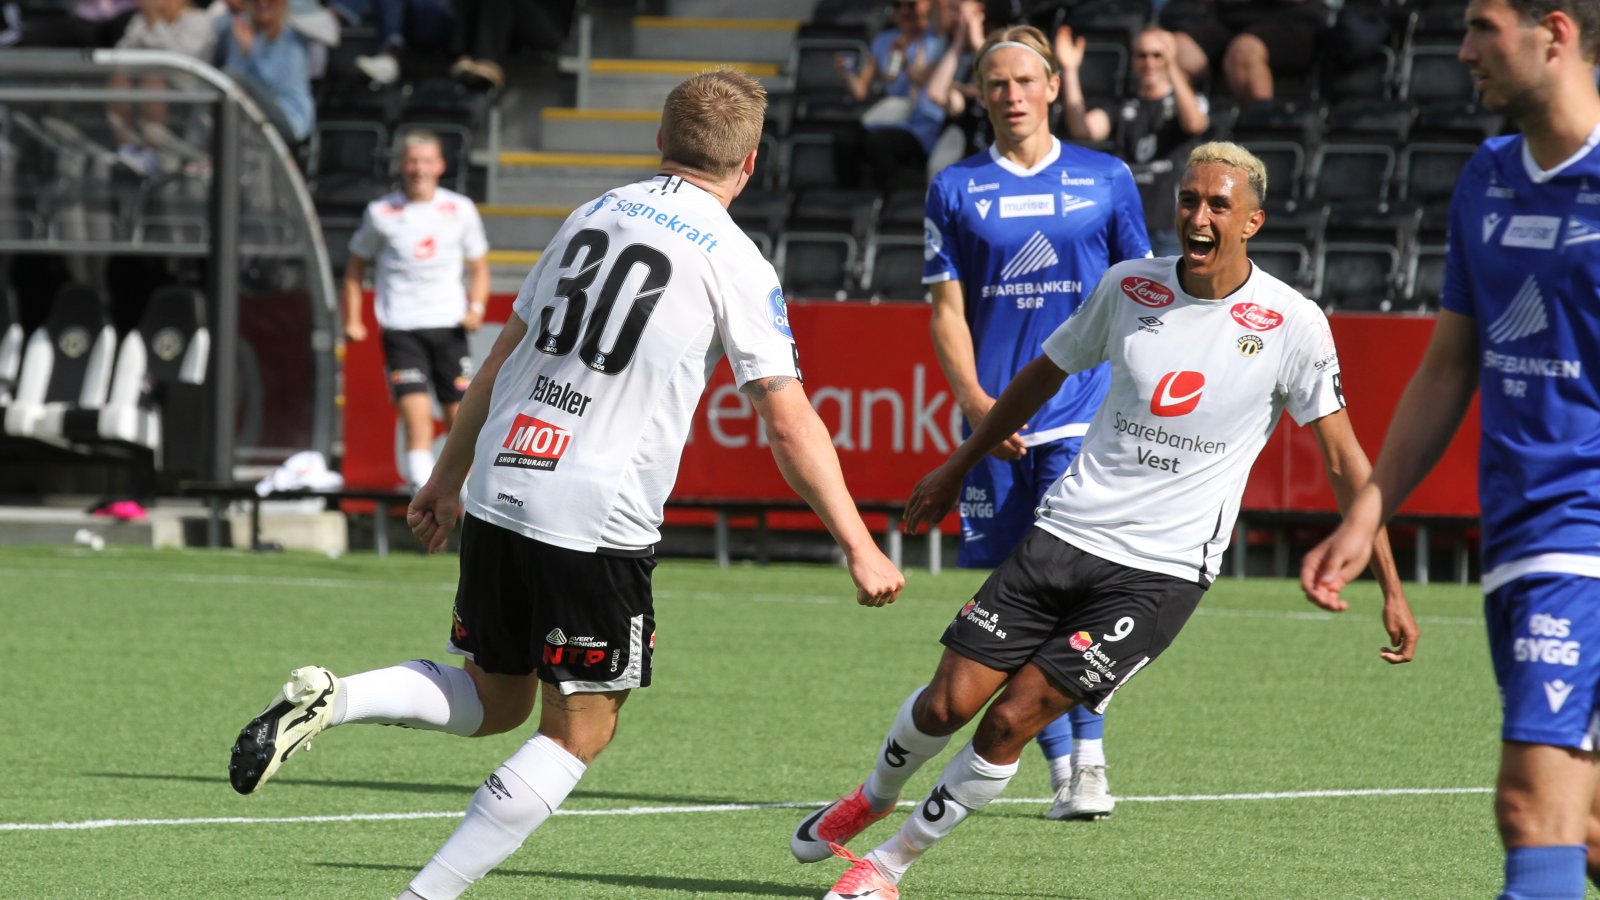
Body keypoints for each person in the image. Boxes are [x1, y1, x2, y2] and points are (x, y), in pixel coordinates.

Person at [227, 68, 905, 900]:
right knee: (581, 727)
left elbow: (497, 361)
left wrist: (447, 475)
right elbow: (788, 418)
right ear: (752, 163)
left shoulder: (593, 212)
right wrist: (858, 541)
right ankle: (423, 896)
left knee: (494, 697)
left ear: (659, 141)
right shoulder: (735, 258)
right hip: (593, 514)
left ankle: (335, 698)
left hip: (505, 478)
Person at [798, 140, 1417, 900]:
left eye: (1218, 205)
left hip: (1159, 575)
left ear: (1251, 220)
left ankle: (888, 866)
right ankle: (872, 796)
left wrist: (1389, 580)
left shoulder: (1292, 322)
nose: (1198, 216)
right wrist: (960, 462)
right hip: (1064, 535)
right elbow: (1041, 376)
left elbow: (1348, 461)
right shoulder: (1130, 287)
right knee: (945, 702)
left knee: (1010, 721)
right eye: (1189, 200)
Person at [1301, 3, 1600, 898]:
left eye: (1482, 27)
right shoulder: (1490, 175)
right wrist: (1369, 510)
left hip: (1583, 539)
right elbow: (1450, 365)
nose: (1462, 50)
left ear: (1555, 31)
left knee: (1532, 809)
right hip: (1519, 531)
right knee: (1583, 828)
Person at [922, 24, 1149, 822]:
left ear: (1053, 87)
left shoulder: (1107, 179)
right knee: (1015, 600)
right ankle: (1060, 764)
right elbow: (945, 312)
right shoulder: (954, 188)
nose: (1011, 96)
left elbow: (1143, 297)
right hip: (998, 427)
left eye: (1025, 82)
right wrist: (980, 408)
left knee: (1075, 596)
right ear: (980, 95)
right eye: (996, 85)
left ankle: (1088, 761)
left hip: (1084, 421)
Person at [343, 131, 489, 492]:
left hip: (449, 326)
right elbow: (354, 269)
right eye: (412, 161)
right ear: (401, 165)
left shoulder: (459, 208)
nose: (418, 169)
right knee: (417, 417)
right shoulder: (381, 213)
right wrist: (352, 318)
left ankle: (467, 502)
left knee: (460, 419)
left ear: (440, 165)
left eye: (426, 161)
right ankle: (421, 502)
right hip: (402, 327)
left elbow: (479, 266)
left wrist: (477, 307)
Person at [1058, 24, 1210, 258]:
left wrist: (1173, 67)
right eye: (1142, 55)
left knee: (1173, 293)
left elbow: (1194, 123)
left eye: (1158, 55)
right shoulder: (1123, 103)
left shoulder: (1186, 100)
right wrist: (1069, 71)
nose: (1149, 62)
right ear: (1133, 60)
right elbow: (1083, 129)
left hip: (1171, 226)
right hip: (1128, 222)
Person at [1158, 0, 1329, 103]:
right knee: (1170, 51)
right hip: (1228, 19)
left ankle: (1262, 137)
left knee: (1244, 52)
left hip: (1290, 18)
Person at [214, 0, 313, 143]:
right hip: (250, 121)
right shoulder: (240, 29)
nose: (263, 3)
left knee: (231, 74)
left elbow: (277, 85)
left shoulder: (292, 37)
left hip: (290, 120)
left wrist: (251, 50)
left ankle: (196, 151)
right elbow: (231, 86)